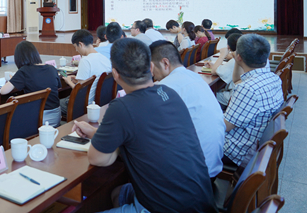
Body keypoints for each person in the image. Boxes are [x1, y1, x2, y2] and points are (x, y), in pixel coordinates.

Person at [72, 38, 217, 213]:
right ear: (151, 67)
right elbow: (143, 132)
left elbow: (98, 159)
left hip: (167, 208)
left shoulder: (121, 107)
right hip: (201, 199)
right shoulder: (169, 93)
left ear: (115, 74)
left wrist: (107, 138)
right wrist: (96, 133)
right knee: (118, 194)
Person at [150, 40, 225, 178]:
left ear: (165, 63)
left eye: (151, 67)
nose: (151, 73)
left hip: (192, 178)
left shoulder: (166, 87)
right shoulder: (196, 77)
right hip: (213, 168)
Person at [224, 34, 284, 167]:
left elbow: (225, 126)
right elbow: (237, 80)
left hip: (237, 151)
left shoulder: (247, 89)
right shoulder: (274, 78)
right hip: (257, 144)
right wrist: (237, 60)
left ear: (239, 56)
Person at [0, 41, 61, 126]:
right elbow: (58, 87)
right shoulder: (52, 68)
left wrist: (13, 80)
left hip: (38, 120)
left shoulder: (24, 71)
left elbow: (3, 91)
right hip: (56, 117)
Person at [60, 29, 112, 115]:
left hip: (86, 104)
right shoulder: (104, 58)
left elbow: (79, 92)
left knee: (57, 104)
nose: (76, 50)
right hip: (102, 100)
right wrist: (78, 79)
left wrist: (69, 81)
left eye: (75, 47)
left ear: (80, 44)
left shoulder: (85, 61)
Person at [208, 33, 242, 110]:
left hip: (232, 98)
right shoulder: (243, 57)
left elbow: (214, 71)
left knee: (208, 94)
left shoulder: (235, 61)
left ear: (228, 46)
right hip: (237, 95)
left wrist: (222, 55)